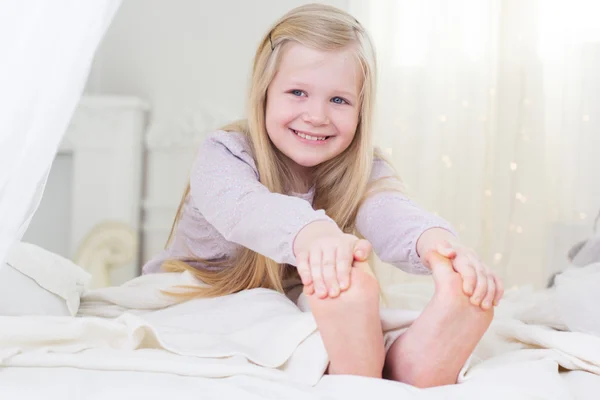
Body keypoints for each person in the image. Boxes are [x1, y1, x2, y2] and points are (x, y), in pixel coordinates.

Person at [142, 3, 504, 388]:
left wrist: (440, 248)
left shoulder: (361, 167)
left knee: (326, 315)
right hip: (199, 295)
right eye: (298, 92)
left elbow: (392, 212)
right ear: (263, 94)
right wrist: (313, 234)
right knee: (289, 327)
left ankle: (406, 361)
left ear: (362, 110)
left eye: (339, 100)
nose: (317, 115)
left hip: (294, 299)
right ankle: (368, 366)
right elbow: (247, 209)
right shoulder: (225, 154)